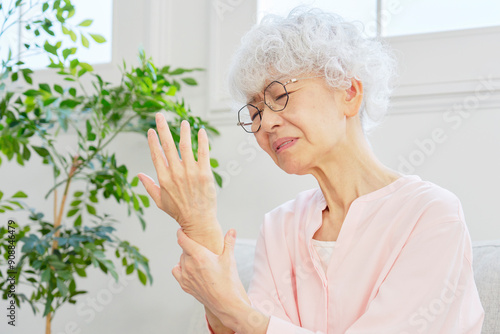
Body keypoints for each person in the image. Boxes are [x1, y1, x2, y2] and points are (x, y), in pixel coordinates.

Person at [138, 7, 485, 334]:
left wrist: (239, 312)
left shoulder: (430, 215)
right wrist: (198, 221)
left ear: (349, 93)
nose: (267, 123)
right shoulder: (280, 226)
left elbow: (248, 321)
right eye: (255, 112)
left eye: (279, 95)